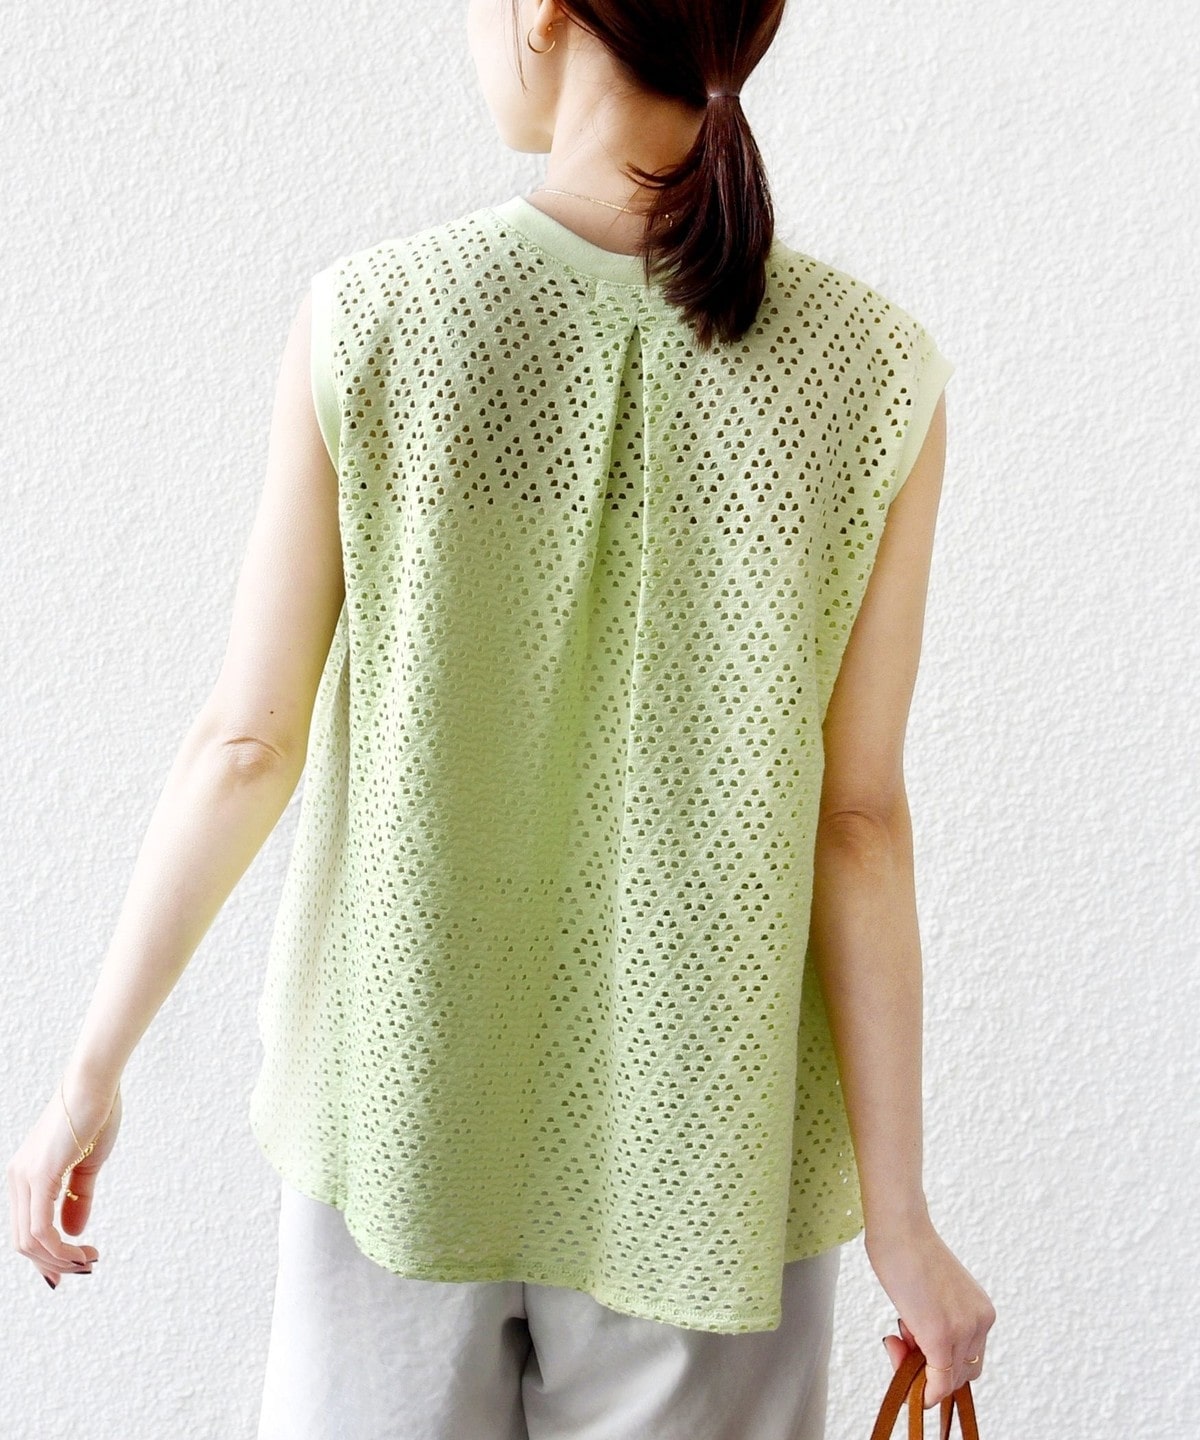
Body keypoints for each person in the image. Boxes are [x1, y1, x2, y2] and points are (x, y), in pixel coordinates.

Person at [7, 0, 996, 1435]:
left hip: (407, 1116)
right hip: (711, 1155)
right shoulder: (875, 369)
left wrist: (88, 1076)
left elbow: (246, 744)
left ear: (544, 9)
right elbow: (858, 822)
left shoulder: (376, 319)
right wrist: (901, 1214)